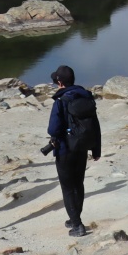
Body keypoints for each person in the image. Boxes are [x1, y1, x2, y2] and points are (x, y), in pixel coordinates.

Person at [47, 65, 101, 238]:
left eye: (56, 81)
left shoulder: (61, 100)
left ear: (60, 82)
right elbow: (95, 125)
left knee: (68, 187)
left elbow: (53, 129)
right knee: (78, 184)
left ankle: (77, 225)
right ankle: (74, 218)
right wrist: (96, 149)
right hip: (82, 148)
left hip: (65, 149)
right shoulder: (85, 97)